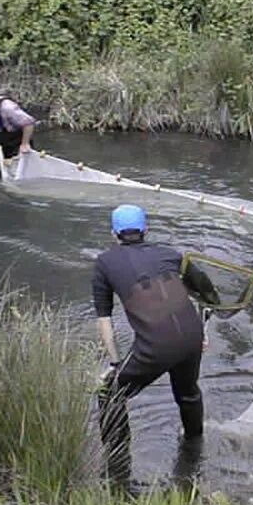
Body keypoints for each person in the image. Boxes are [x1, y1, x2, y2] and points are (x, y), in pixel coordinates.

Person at [92, 204, 219, 489]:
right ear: (145, 230)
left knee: (110, 395)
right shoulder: (171, 254)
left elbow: (104, 321)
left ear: (114, 234)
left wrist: (114, 365)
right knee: (187, 394)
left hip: (156, 346)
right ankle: (193, 452)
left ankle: (117, 465)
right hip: (191, 337)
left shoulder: (104, 263)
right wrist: (202, 331)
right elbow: (208, 291)